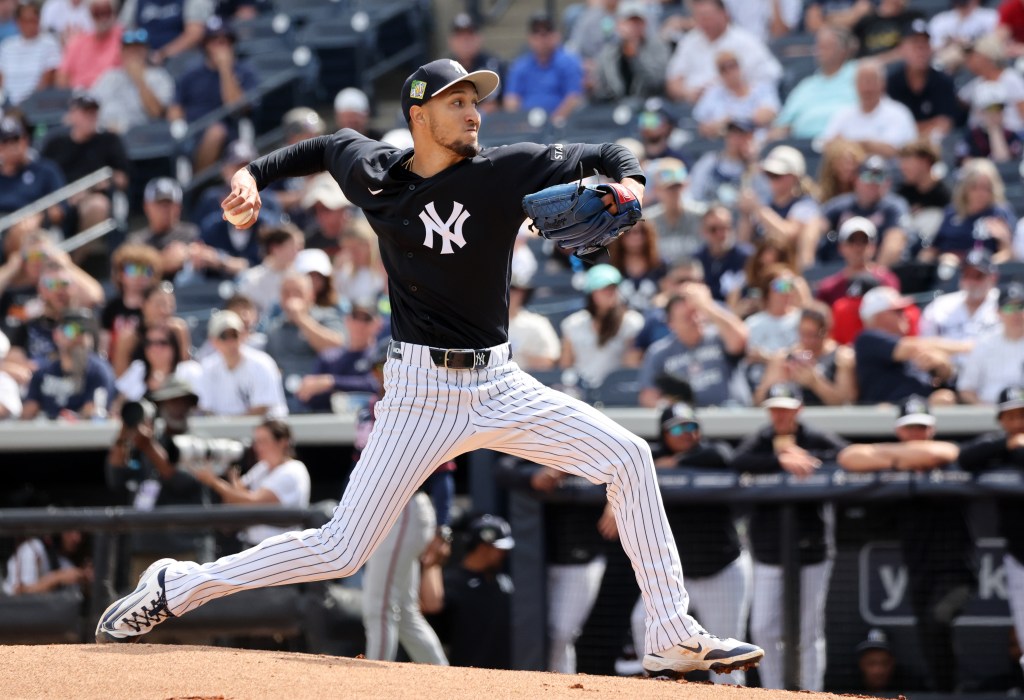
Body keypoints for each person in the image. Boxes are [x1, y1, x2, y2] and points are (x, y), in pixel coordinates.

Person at [95, 58, 766, 678]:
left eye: (475, 102)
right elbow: (324, 146)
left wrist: (630, 185)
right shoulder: (376, 173)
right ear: (419, 114)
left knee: (629, 457)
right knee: (342, 549)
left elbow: (605, 152)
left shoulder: (505, 169)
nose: (473, 113)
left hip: (499, 383)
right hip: (420, 393)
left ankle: (670, 632)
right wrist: (252, 175)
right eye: (457, 102)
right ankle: (178, 585)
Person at [838, 395, 975, 692]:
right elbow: (849, 457)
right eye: (910, 428)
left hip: (956, 571)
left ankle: (956, 688)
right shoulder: (895, 466)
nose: (916, 434)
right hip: (919, 569)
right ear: (899, 430)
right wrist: (901, 459)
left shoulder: (948, 453)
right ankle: (946, 691)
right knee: (929, 634)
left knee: (938, 620)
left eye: (921, 428)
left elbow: (942, 453)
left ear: (932, 429)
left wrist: (893, 457)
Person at [621, 403, 750, 685]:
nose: (686, 433)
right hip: (678, 577)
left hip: (721, 569)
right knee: (642, 622)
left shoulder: (713, 453)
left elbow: (723, 455)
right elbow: (623, 469)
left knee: (727, 658)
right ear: (663, 434)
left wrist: (676, 464)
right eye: (677, 428)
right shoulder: (651, 459)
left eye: (691, 426)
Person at [732, 382, 848, 691]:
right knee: (763, 628)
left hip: (812, 548)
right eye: (775, 409)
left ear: (799, 409)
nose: (780, 415)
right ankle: (775, 693)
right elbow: (736, 460)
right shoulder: (762, 439)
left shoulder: (813, 436)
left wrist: (806, 456)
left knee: (808, 630)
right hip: (768, 549)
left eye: (786, 409)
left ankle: (811, 693)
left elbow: (846, 456)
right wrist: (778, 460)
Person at [356, 341, 451, 664]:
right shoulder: (370, 407)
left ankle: (372, 683)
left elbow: (443, 475)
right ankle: (444, 679)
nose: (381, 373)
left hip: (404, 507)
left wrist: (443, 527)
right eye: (376, 368)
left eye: (385, 366)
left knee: (378, 607)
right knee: (405, 613)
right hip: (378, 508)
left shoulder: (420, 407)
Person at [958, 384, 1024, 683]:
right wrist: (1008, 444)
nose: (1017, 422)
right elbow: (965, 458)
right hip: (1018, 555)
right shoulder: (998, 445)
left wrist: (1019, 449)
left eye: (1022, 415)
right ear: (1001, 420)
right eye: (1010, 416)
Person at [193, 419, 310, 549]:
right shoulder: (262, 466)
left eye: (263, 441)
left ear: (283, 442)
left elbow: (252, 502)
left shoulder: (292, 470)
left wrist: (214, 481)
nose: (257, 447)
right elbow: (233, 499)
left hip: (283, 549)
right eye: (256, 441)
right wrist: (233, 489)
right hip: (255, 546)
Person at [166, 16, 259, 171]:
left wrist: (225, 69)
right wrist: (179, 124)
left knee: (217, 132)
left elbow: (236, 107)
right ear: (205, 45)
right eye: (214, 41)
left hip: (230, 132)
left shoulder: (244, 72)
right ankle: (197, 181)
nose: (220, 46)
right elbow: (175, 107)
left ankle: (198, 181)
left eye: (225, 41)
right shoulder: (191, 74)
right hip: (194, 132)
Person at [639, 283, 749, 408]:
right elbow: (648, 396)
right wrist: (671, 406)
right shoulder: (659, 352)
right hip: (687, 418)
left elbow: (741, 340)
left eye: (697, 313)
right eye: (687, 317)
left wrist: (707, 305)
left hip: (730, 413)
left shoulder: (719, 337)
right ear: (671, 323)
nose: (695, 320)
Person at [40, 92, 130, 245]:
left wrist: (94, 186)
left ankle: (75, 258)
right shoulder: (55, 144)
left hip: (94, 198)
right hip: (61, 201)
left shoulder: (109, 140)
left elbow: (123, 178)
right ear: (72, 115)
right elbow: (42, 177)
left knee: (97, 206)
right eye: (85, 112)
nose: (91, 116)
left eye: (94, 112)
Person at [854, 285, 967, 405]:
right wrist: (966, 347)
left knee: (947, 398)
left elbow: (938, 374)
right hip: (891, 412)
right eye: (898, 311)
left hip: (919, 407)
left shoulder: (907, 344)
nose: (905, 315)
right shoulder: (866, 339)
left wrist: (942, 366)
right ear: (879, 316)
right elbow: (912, 347)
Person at [432, 514, 516, 670]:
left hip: (505, 677)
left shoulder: (505, 582)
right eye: (500, 549)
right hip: (464, 675)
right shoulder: (452, 582)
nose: (504, 555)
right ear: (483, 548)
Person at [665, 0, 781, 104]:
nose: (704, 22)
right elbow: (673, 81)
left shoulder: (746, 42)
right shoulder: (690, 41)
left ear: (724, 14)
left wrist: (726, 90)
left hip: (731, 108)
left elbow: (771, 76)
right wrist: (688, 93)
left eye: (708, 17)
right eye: (699, 17)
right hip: (689, 106)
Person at [265, 272, 345, 411]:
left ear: (311, 295)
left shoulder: (327, 317)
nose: (291, 298)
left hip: (319, 403)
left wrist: (301, 319)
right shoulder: (273, 329)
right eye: (286, 293)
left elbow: (335, 348)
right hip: (284, 402)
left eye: (298, 292)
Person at [754, 302, 857, 405]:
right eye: (803, 334)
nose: (807, 341)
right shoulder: (784, 357)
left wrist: (816, 383)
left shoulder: (841, 357)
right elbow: (757, 401)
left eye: (812, 335)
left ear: (825, 332)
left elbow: (846, 402)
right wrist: (776, 382)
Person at [559, 264, 643, 390]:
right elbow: (566, 365)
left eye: (613, 288)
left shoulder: (632, 322)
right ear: (591, 292)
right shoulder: (573, 324)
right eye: (603, 288)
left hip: (616, 392)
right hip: (580, 391)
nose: (609, 293)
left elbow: (631, 365)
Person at [816, 156, 911, 267]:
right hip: (839, 268)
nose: (873, 182)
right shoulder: (841, 205)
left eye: (879, 177)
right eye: (867, 176)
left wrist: (876, 274)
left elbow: (895, 241)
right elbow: (816, 227)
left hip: (876, 269)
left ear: (888, 182)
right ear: (856, 180)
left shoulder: (894, 206)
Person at [21, 308, 115, 420]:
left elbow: (93, 413)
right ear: (56, 334)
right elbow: (28, 412)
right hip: (48, 429)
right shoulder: (43, 372)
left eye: (84, 331)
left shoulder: (98, 372)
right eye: (71, 330)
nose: (79, 337)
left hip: (81, 430)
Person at [195, 309, 287, 417]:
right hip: (224, 426)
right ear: (213, 341)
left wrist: (228, 424)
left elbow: (261, 409)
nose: (230, 342)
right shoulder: (208, 367)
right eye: (224, 336)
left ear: (243, 335)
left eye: (234, 335)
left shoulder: (262, 363)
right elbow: (205, 408)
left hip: (266, 425)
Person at [772, 26, 858, 140]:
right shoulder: (806, 85)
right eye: (817, 47)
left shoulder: (859, 74)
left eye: (825, 47)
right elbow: (782, 124)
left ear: (843, 51)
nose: (818, 52)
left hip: (845, 142)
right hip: (803, 143)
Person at [293, 303, 382, 412]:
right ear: (347, 320)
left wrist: (332, 382)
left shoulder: (381, 356)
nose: (359, 325)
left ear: (378, 323)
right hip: (328, 419)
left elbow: (376, 384)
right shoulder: (329, 357)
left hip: (369, 418)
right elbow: (308, 395)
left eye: (366, 319)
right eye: (355, 318)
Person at [821, 59, 918, 158]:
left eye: (871, 81)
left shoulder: (899, 113)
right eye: (861, 82)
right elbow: (826, 145)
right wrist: (868, 146)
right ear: (855, 85)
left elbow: (894, 150)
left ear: (882, 83)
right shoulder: (843, 114)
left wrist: (847, 144)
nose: (866, 88)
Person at [922, 158, 1016, 261]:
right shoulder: (951, 213)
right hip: (950, 266)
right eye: (974, 187)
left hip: (985, 267)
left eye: (985, 188)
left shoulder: (999, 213)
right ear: (965, 189)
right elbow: (933, 248)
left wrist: (987, 263)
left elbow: (1008, 253)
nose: (980, 193)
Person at [504, 12, 584, 123]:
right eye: (536, 32)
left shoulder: (569, 62)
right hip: (525, 124)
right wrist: (519, 122)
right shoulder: (520, 65)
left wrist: (554, 121)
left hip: (561, 125)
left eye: (546, 32)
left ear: (556, 35)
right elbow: (511, 99)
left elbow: (574, 98)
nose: (541, 37)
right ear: (529, 38)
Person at [886, 19, 958, 141]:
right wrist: (929, 125)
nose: (921, 50)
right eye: (915, 44)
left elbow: (944, 125)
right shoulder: (891, 82)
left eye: (925, 44)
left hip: (932, 145)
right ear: (902, 48)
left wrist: (908, 128)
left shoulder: (943, 81)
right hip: (898, 144)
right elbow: (889, 126)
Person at [739, 146, 819, 256]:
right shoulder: (766, 203)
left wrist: (758, 209)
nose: (771, 180)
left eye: (776, 175)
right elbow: (742, 244)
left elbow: (788, 236)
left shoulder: (805, 205)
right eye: (768, 174)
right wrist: (746, 215)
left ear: (794, 177)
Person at [91, 28, 175, 133]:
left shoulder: (159, 76)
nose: (133, 54)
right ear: (122, 52)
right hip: (106, 133)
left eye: (137, 50)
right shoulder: (109, 76)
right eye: (129, 50)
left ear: (146, 51)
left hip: (141, 135)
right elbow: (91, 107)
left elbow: (157, 113)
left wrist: (140, 80)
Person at [589, 1, 670, 103]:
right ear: (619, 25)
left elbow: (656, 82)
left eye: (637, 22)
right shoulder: (609, 52)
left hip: (647, 103)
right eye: (629, 22)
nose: (633, 26)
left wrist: (635, 58)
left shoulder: (658, 47)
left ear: (644, 24)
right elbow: (603, 87)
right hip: (615, 105)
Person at [958, 280, 1024, 404]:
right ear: (998, 312)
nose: (1015, 314)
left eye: (1020, 307)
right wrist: (984, 410)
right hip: (990, 410)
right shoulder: (984, 343)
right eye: (1009, 308)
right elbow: (966, 388)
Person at [110, 281, 191, 378]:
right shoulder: (129, 338)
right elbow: (120, 377)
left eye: (170, 305)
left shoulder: (178, 331)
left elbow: (185, 370)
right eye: (159, 304)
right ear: (143, 304)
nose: (165, 311)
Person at [814, 217, 901, 307]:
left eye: (864, 241)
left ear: (873, 246)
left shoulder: (886, 281)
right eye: (852, 241)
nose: (858, 247)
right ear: (841, 247)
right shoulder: (829, 288)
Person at [693, 50, 779, 139]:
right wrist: (721, 125)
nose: (730, 72)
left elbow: (765, 116)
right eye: (723, 69)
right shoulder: (712, 94)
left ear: (739, 67)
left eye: (732, 66)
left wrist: (732, 121)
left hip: (758, 140)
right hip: (724, 142)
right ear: (719, 73)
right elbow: (702, 127)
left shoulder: (761, 89)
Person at [128, 178, 200, 279]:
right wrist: (161, 263)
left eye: (169, 204)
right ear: (146, 207)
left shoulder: (191, 233)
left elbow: (203, 259)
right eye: (159, 204)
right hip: (151, 288)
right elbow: (129, 271)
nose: (164, 210)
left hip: (186, 286)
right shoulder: (137, 240)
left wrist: (188, 255)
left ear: (178, 207)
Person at [114, 322, 202, 404]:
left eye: (162, 342)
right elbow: (118, 405)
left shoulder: (190, 371)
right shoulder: (137, 370)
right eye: (149, 343)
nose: (155, 348)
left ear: (174, 345)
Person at [101, 243, 163, 359]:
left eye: (145, 270)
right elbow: (104, 346)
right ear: (120, 274)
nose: (139, 276)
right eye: (133, 270)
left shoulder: (157, 307)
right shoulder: (111, 308)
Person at [0, 117, 65, 223]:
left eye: (16, 139)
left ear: (25, 140)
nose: (12, 146)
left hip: (36, 227)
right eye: (5, 141)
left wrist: (40, 217)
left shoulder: (45, 170)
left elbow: (60, 210)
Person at [959, 33, 1024, 136]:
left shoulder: (1011, 78)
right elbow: (958, 101)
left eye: (974, 56)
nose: (969, 60)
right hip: (978, 139)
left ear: (987, 56)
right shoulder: (977, 83)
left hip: (1011, 137)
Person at [643, 157, 704, 263]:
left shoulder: (702, 216)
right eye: (668, 188)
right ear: (656, 190)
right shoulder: (648, 221)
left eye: (678, 187)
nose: (674, 192)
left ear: (686, 186)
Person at [0, 1, 61, 106]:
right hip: (8, 102)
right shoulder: (7, 45)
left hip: (37, 103)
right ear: (18, 22)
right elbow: (1, 78)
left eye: (33, 20)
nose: (29, 25)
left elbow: (48, 79)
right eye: (25, 21)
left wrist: (27, 104)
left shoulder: (50, 43)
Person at [117, 0, 212, 65]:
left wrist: (163, 54)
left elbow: (194, 34)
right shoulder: (135, 1)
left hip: (179, 57)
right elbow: (122, 30)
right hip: (143, 54)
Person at [687, 119, 758, 206]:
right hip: (708, 210)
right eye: (732, 133)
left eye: (740, 135)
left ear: (749, 138)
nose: (734, 139)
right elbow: (694, 190)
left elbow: (757, 198)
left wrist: (751, 160)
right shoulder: (711, 160)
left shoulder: (752, 167)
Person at [236, 224, 302, 314]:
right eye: (293, 247)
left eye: (299, 248)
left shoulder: (301, 278)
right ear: (275, 248)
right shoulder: (251, 278)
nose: (297, 252)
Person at [54, 0, 121, 90]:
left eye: (106, 11)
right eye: (97, 12)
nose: (102, 17)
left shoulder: (123, 39)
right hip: (79, 94)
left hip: (111, 92)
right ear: (91, 14)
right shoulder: (77, 42)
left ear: (113, 12)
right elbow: (62, 77)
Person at [2, 530, 92, 596]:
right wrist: (58, 578)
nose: (77, 538)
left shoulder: (64, 562)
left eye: (81, 534)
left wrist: (86, 581)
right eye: (71, 531)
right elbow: (21, 592)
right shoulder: (32, 549)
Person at [896, 139, 951, 243]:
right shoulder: (902, 193)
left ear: (925, 161)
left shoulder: (945, 196)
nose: (902, 167)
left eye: (908, 160)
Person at [446, 13, 503, 112]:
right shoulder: (443, 68)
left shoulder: (492, 65)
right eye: (460, 36)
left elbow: (492, 106)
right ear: (451, 41)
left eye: (470, 35)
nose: (465, 41)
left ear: (479, 38)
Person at [607, 219, 667, 311]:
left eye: (640, 232)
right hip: (620, 317)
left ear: (647, 235)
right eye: (627, 232)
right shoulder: (611, 266)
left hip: (652, 316)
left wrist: (661, 299)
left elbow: (668, 292)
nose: (635, 237)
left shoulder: (659, 265)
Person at [694, 205, 751, 302]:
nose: (720, 234)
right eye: (713, 229)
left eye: (725, 227)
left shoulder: (747, 258)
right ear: (703, 231)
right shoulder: (696, 260)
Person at [506, 272, 560, 371]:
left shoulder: (538, 324)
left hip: (527, 377)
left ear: (523, 293)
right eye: (506, 289)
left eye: (514, 289)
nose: (510, 294)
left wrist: (521, 355)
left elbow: (549, 360)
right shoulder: (485, 325)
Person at [930, 0, 998, 71]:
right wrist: (951, 42)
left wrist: (969, 43)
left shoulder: (989, 16)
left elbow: (995, 44)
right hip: (950, 58)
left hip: (980, 55)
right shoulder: (941, 20)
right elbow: (933, 48)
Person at [851, 0, 923, 61]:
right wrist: (855, 14)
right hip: (867, 67)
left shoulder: (911, 18)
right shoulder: (866, 20)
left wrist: (878, 61)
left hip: (899, 64)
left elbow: (910, 50)